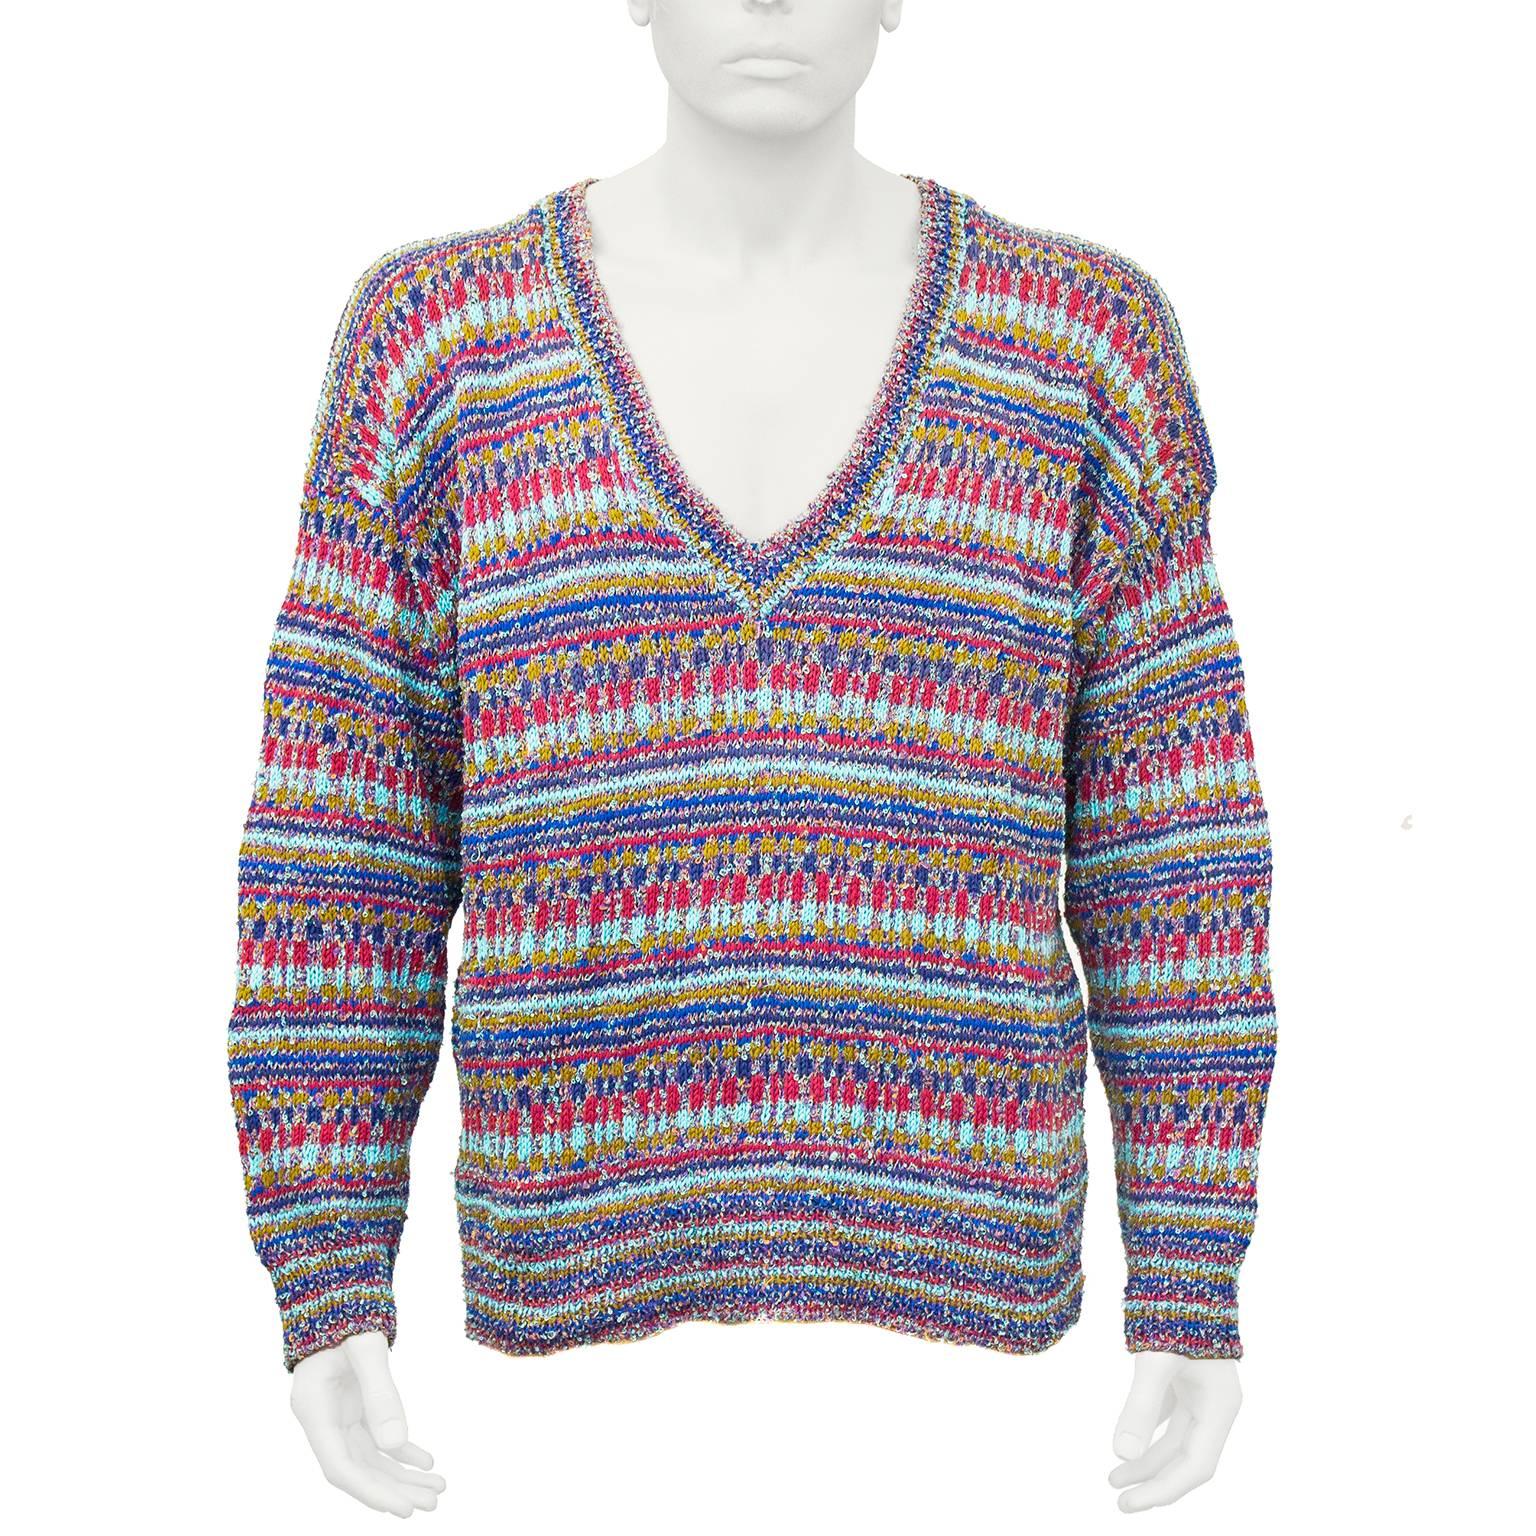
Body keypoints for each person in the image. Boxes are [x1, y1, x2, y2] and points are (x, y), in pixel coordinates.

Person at [226, 0, 1277, 1515]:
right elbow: (343, 853)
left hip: (985, 1402)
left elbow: (1171, 848)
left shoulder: (1082, 344)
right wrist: (326, 1274)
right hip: (558, 1399)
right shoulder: (439, 340)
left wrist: (1189, 1270)